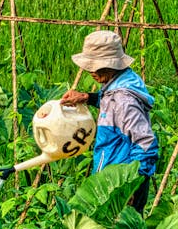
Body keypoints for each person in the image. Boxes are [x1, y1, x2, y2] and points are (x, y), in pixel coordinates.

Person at [60, 30, 158, 214]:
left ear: (111, 64)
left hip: (121, 186)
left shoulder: (124, 100)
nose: (91, 71)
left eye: (96, 66)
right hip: (112, 182)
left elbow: (147, 144)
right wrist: (88, 97)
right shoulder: (119, 85)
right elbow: (113, 109)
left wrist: (130, 186)